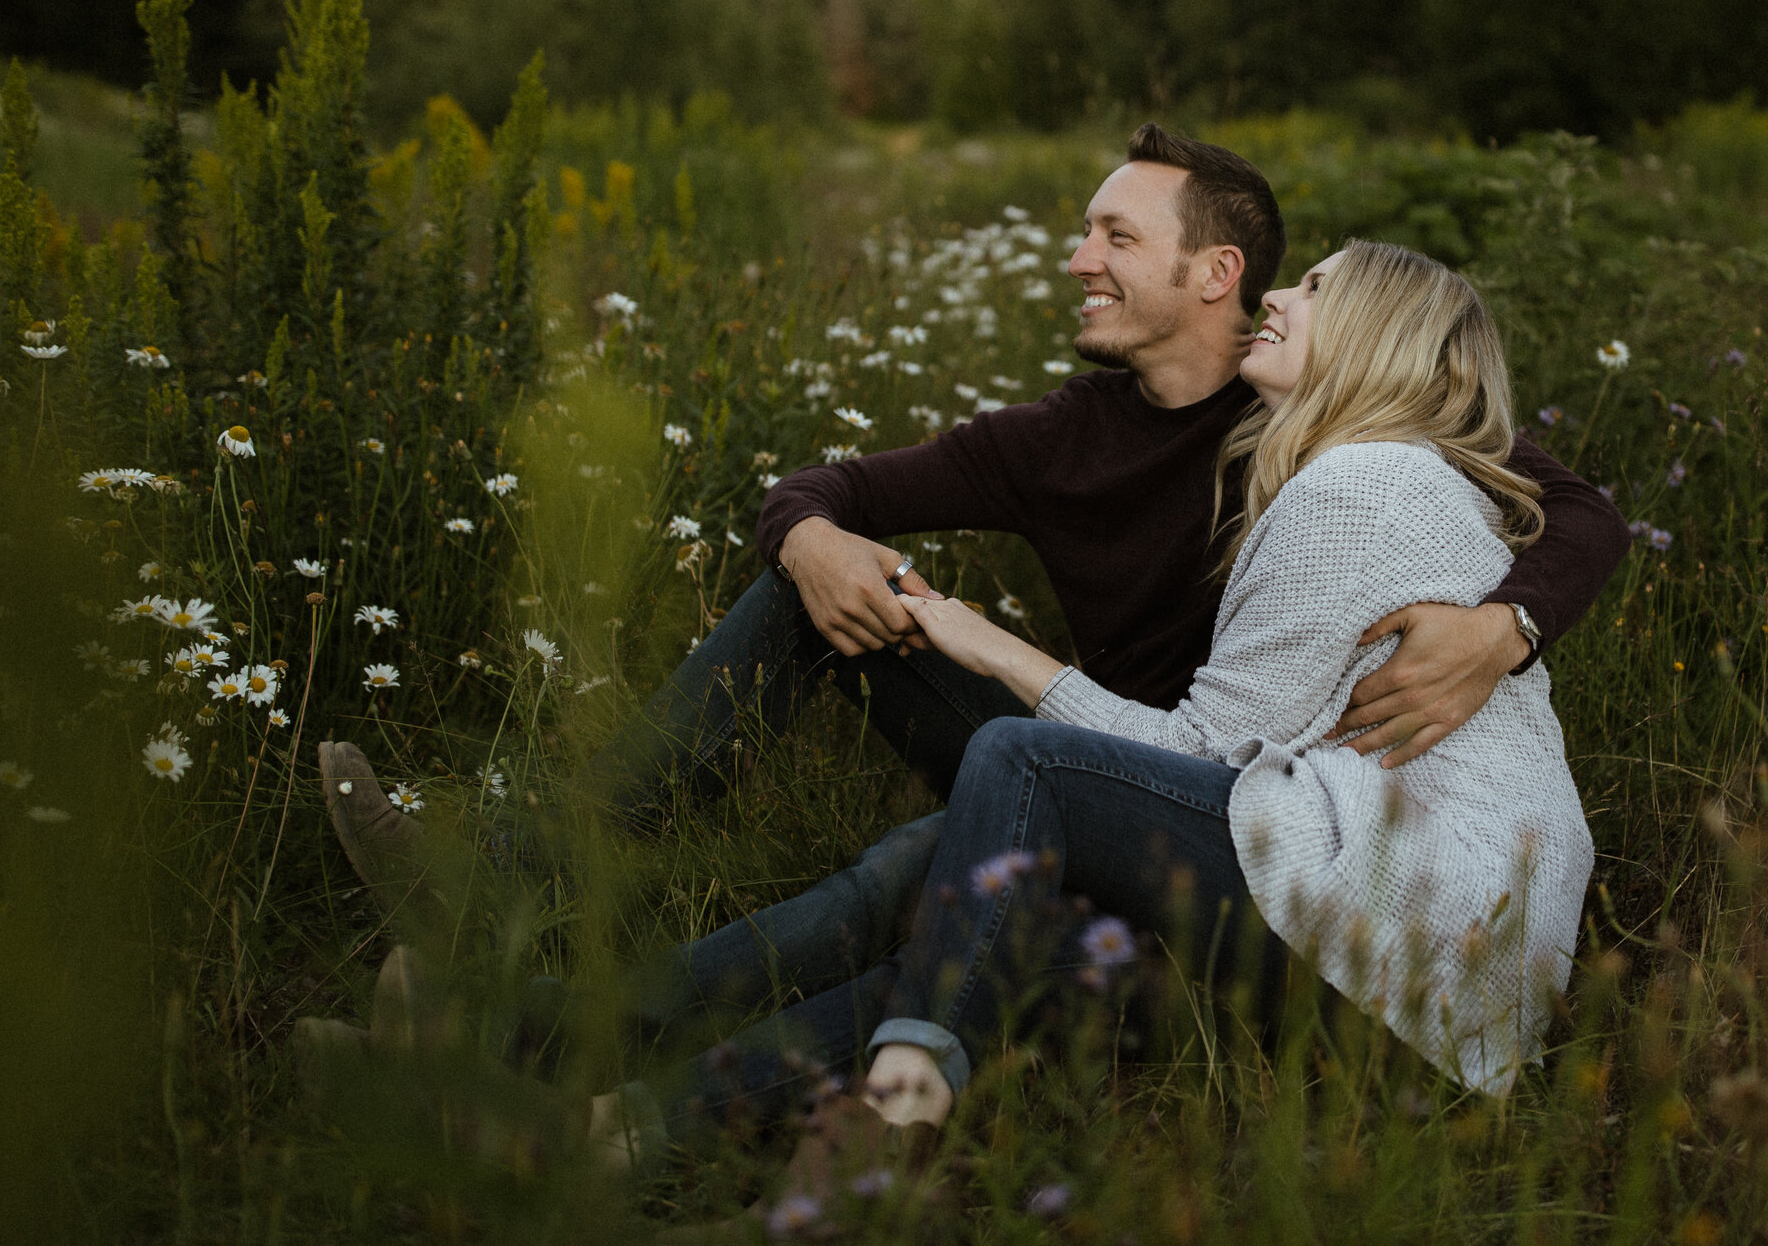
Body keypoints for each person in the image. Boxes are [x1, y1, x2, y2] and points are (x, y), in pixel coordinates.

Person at [318, 126, 1625, 1104]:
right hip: (1110, 750)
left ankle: (551, 1053)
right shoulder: (1059, 438)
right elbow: (823, 486)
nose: (1079, 259)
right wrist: (814, 536)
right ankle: (517, 881)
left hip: (1220, 800)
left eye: (1115, 235)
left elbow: (1582, 513)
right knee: (815, 588)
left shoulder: (1333, 405)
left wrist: (1505, 628)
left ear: (1214, 271)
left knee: (911, 867)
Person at [609, 239, 1595, 1225]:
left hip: (1409, 925)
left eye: (1315, 287)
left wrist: (994, 647)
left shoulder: (1360, 488)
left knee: (1019, 759)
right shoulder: (1381, 477)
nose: (1281, 297)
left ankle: (889, 1115)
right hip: (1455, 999)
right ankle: (639, 1126)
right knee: (1018, 936)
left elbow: (1201, 753)